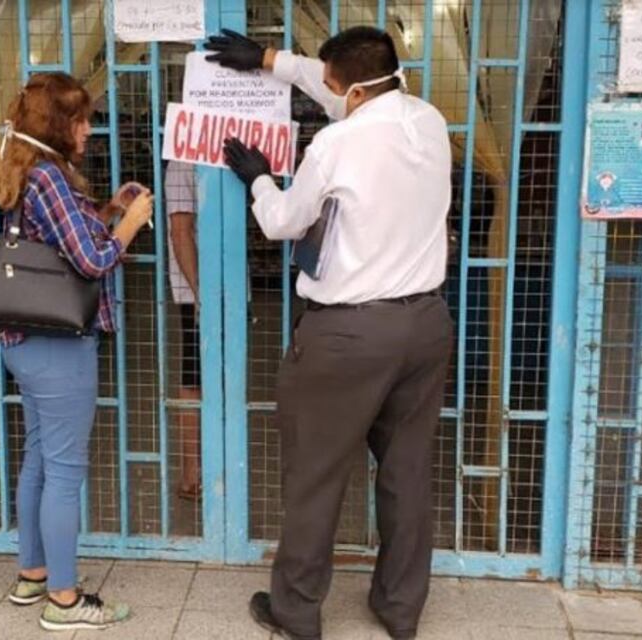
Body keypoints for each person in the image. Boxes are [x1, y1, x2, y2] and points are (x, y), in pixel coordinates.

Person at [205, 27, 453, 640]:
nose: (329, 97)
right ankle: (399, 610)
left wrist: (261, 179)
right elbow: (338, 87)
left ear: (356, 90)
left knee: (316, 474)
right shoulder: (430, 122)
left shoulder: (335, 143)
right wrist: (269, 62)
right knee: (406, 473)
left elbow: (285, 223)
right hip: (424, 326)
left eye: (334, 88)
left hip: (346, 336)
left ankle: (295, 611)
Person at [0, 72, 154, 633]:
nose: (88, 128)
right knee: (64, 472)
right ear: (58, 125)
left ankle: (32, 573)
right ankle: (65, 599)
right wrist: (129, 224)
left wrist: (103, 211)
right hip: (58, 347)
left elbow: (55, 243)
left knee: (38, 459)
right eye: (79, 119)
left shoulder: (27, 172)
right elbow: (92, 262)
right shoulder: (50, 177)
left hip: (24, 342)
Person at [164, 160, 202, 499]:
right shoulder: (183, 161)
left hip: (224, 285)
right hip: (197, 292)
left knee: (212, 376)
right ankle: (191, 474)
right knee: (194, 378)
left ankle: (209, 467)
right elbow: (180, 230)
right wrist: (199, 291)